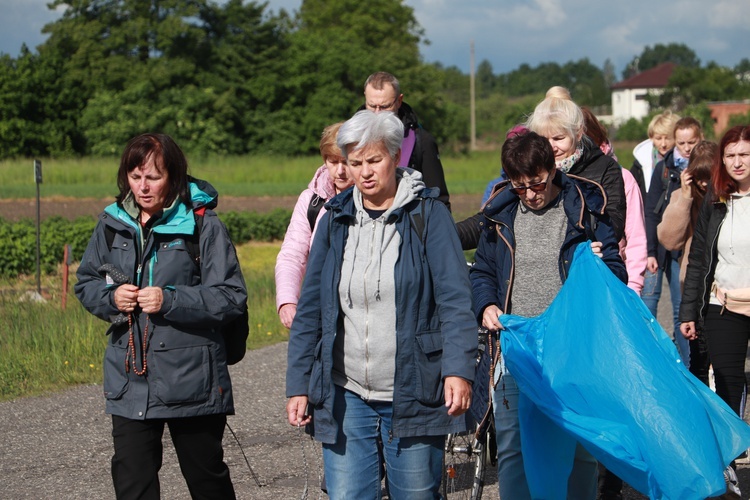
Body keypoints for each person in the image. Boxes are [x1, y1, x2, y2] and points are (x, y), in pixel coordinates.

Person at [285, 110, 476, 499]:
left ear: (394, 157)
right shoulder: (334, 218)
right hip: (345, 391)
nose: (364, 172)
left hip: (415, 389)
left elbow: (456, 300)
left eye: (374, 161)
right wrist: (298, 383)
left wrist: (458, 370)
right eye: (355, 163)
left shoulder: (429, 215)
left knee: (417, 494)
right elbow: (310, 308)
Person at [75, 133, 247, 499]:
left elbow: (231, 297)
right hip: (129, 380)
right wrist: (111, 297)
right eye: (135, 177)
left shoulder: (203, 225)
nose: (143, 186)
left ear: (175, 176)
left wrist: (170, 300)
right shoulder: (112, 223)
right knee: (133, 484)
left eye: (153, 177)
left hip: (193, 382)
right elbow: (87, 281)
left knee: (207, 482)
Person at [471, 131, 626, 500]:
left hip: (575, 349)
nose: (530, 193)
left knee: (580, 447)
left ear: (552, 168)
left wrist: (600, 264)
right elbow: (482, 272)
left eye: (537, 183)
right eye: (519, 186)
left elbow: (618, 273)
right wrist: (486, 305)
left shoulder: (585, 209)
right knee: (513, 449)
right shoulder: (500, 213)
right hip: (515, 351)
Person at [679, 125, 750, 498]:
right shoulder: (716, 201)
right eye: (731, 155)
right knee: (726, 383)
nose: (737, 162)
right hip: (723, 306)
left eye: (744, 154)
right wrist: (688, 310)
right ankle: (729, 466)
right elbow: (699, 261)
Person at [275, 122, 353, 329]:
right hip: (320, 309)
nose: (340, 171)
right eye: (332, 161)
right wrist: (287, 301)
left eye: (346, 162)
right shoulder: (311, 201)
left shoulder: (376, 199)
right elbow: (292, 254)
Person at [525, 86, 627, 242]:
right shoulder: (527, 168)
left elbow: (615, 224)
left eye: (558, 138)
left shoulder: (605, 167)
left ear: (578, 134)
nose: (551, 147)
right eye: (544, 140)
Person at [645, 117, 704, 367]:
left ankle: (691, 365)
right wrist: (649, 251)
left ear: (700, 138)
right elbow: (651, 210)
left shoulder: (707, 165)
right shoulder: (665, 168)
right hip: (665, 243)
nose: (687, 148)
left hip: (692, 245)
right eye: (681, 143)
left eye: (692, 142)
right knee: (650, 301)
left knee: (684, 307)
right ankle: (660, 361)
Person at [658, 140, 718, 385]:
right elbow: (668, 239)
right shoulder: (683, 196)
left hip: (725, 285)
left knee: (723, 359)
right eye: (700, 177)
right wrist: (684, 197)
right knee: (698, 361)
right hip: (695, 285)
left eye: (709, 176)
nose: (705, 184)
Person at [582, 106, 647, 296]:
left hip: (614, 281)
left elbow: (636, 237)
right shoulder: (554, 178)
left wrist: (633, 289)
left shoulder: (622, 176)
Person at [362, 71, 451, 210]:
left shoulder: (422, 140)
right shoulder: (351, 139)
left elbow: (438, 197)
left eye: (385, 107)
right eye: (372, 106)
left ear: (399, 101)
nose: (378, 113)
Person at [630, 110, 681, 198]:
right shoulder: (639, 165)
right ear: (651, 138)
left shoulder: (684, 162)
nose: (663, 144)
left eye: (668, 138)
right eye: (658, 138)